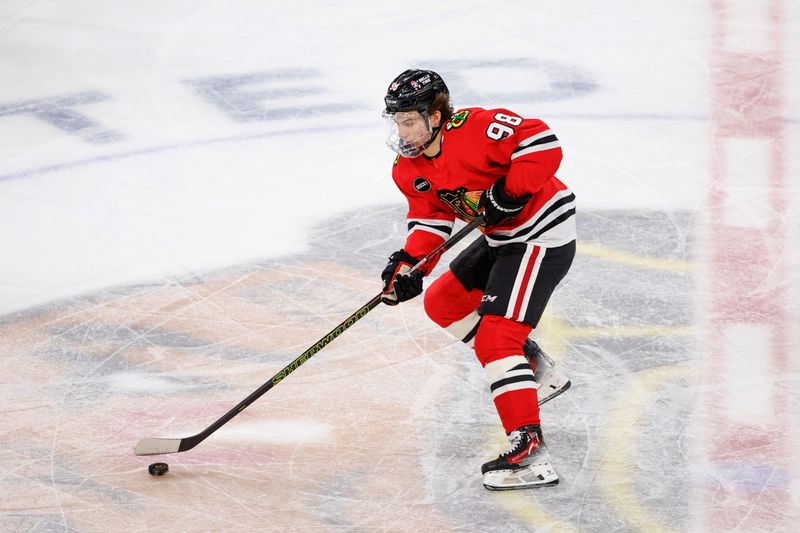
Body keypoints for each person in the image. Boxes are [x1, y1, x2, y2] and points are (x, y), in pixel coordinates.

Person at [379, 69, 576, 490]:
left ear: (436, 115)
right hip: (502, 239)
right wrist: (408, 266)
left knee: (495, 339)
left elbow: (542, 142)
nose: (403, 130)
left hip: (541, 235)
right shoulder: (408, 166)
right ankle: (534, 368)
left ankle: (530, 453)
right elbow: (431, 220)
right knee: (442, 302)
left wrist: (510, 192)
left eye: (410, 120)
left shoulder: (477, 128)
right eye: (397, 121)